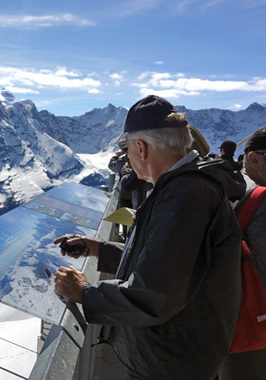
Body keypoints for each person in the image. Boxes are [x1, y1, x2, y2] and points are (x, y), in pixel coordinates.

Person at [53, 95, 244, 380]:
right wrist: (99, 249)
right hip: (180, 353)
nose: (126, 155)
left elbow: (153, 294)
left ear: (140, 148)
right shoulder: (182, 188)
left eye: (125, 147)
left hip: (172, 363)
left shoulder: (185, 197)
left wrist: (84, 292)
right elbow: (170, 263)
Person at [219, 126, 266, 380]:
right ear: (255, 159)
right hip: (258, 331)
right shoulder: (263, 199)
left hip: (231, 322)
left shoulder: (229, 186)